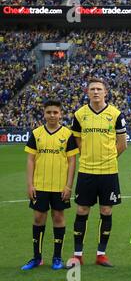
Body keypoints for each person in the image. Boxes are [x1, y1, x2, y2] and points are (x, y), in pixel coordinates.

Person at [68, 77, 127, 268]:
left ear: (105, 92)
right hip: (86, 171)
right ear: (88, 92)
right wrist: (88, 156)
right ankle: (78, 254)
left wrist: (108, 158)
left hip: (109, 172)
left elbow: (122, 144)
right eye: (92, 89)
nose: (95, 92)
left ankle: (101, 254)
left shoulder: (116, 114)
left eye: (99, 89)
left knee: (106, 210)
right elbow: (77, 141)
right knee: (82, 210)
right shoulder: (79, 115)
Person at [21, 100, 79, 270]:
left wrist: (68, 186)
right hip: (40, 185)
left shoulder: (67, 134)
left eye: (55, 112)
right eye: (49, 112)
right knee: (38, 218)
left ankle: (57, 258)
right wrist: (30, 184)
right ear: (44, 114)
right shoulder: (36, 133)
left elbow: (72, 161)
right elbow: (31, 160)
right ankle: (37, 257)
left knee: (58, 218)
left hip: (60, 187)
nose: (52, 115)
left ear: (61, 114)